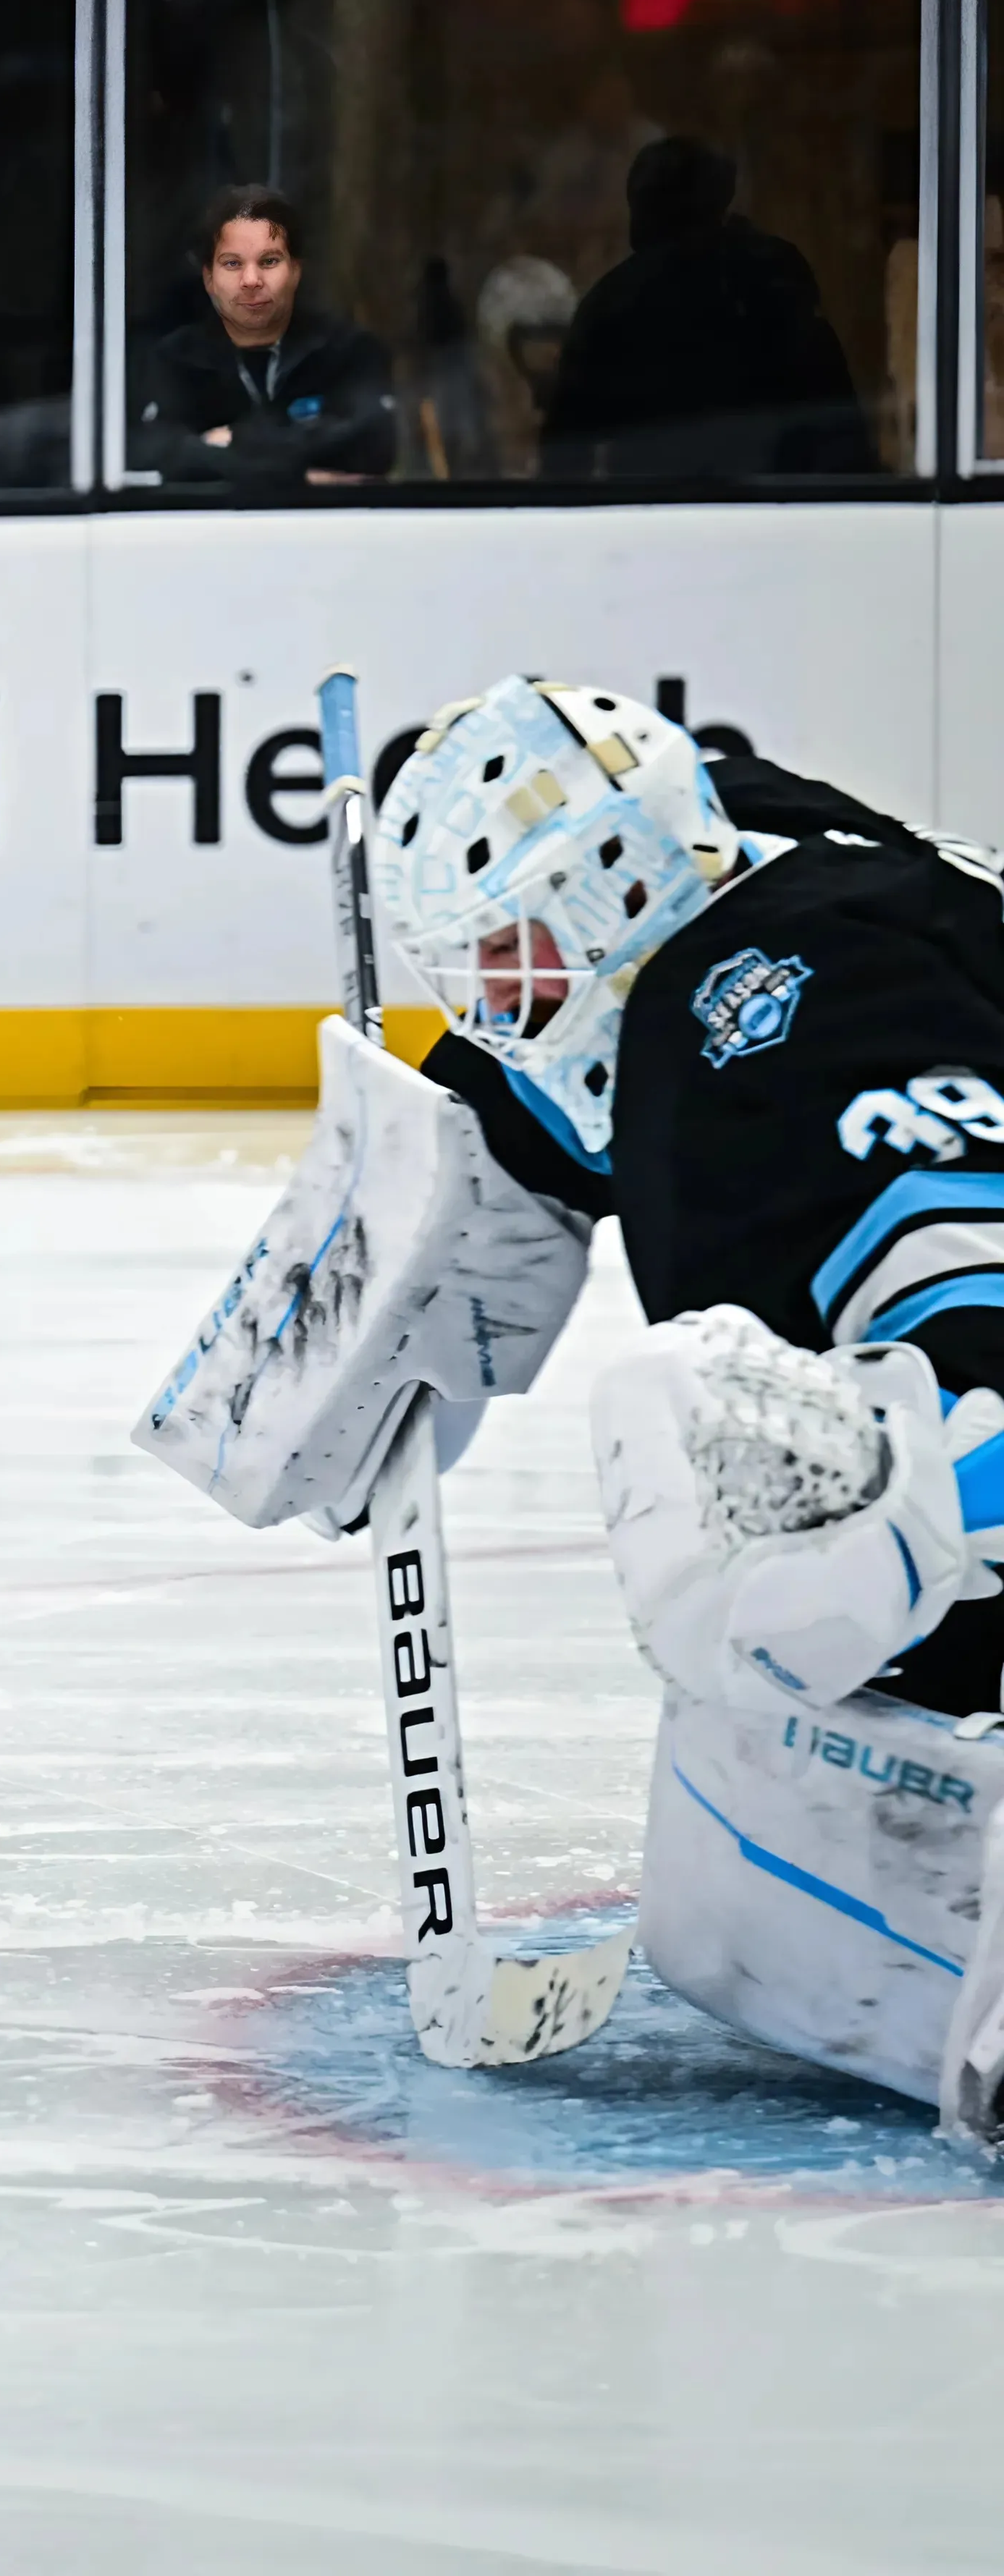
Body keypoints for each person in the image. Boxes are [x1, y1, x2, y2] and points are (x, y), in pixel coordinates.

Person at [141, 677, 1004, 2142]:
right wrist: (394, 1231)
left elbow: (968, 1293)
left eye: (506, 954)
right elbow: (549, 1075)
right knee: (726, 1904)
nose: (489, 997)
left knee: (707, 1431)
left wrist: (918, 1507)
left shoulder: (815, 992)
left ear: (610, 887)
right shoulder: (722, 888)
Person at [541, 137, 881, 480]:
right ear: (723, 200)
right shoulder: (777, 280)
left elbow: (564, 455)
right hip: (781, 510)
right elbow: (843, 442)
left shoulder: (611, 304)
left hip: (653, 513)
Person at [130, 184, 397, 489]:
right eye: (232, 264)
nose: (251, 280)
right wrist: (302, 475)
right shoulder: (172, 360)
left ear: (296, 270)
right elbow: (155, 456)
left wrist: (231, 442)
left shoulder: (350, 351)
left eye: (269, 261)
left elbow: (373, 444)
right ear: (208, 279)